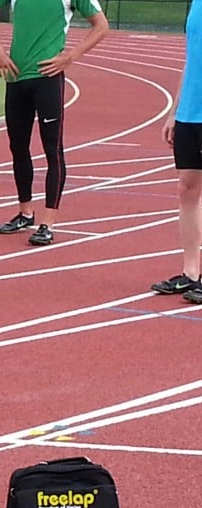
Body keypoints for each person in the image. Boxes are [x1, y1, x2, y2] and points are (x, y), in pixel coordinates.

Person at [0, 0, 109, 246]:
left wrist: (70, 56)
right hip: (16, 77)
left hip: (47, 79)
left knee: (52, 150)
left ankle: (48, 223)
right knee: (18, 147)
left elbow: (101, 25)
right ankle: (25, 212)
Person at [152, 0, 202, 302]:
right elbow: (190, 58)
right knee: (187, 188)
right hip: (190, 111)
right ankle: (191, 272)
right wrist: (175, 110)